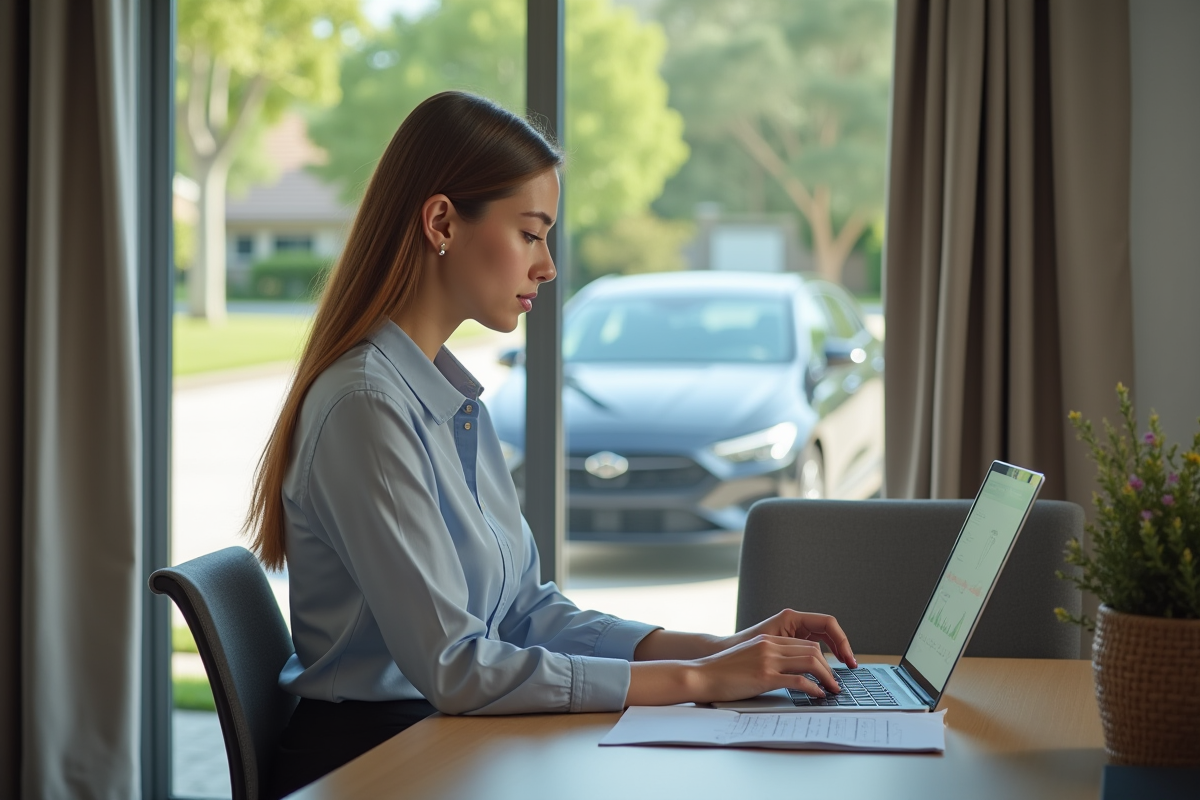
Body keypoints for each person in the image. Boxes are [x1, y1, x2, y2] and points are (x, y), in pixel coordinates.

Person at [245, 91, 857, 799]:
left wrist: (729, 649)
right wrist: (696, 682)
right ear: (442, 221)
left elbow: (528, 615)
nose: (549, 267)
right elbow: (458, 668)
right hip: (380, 763)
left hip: (448, 738)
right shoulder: (367, 409)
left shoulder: (448, 402)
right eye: (532, 234)